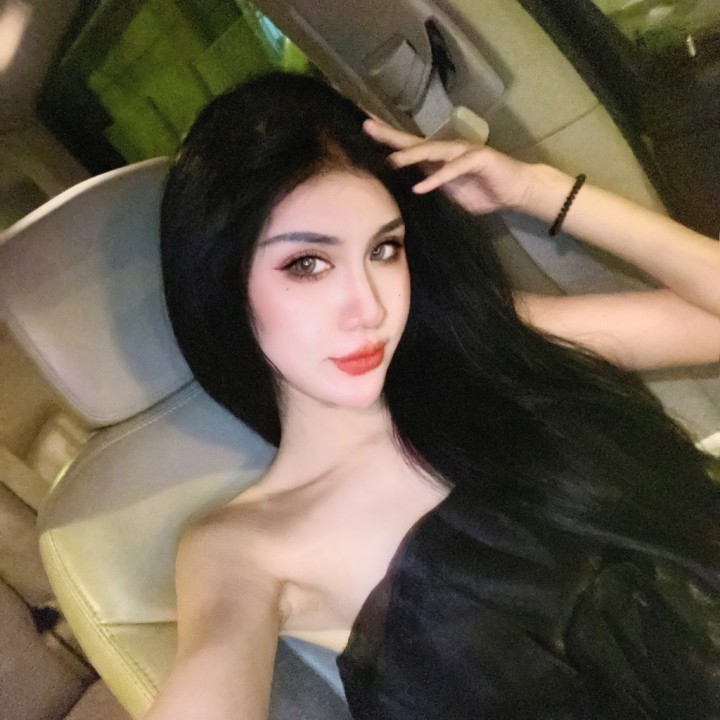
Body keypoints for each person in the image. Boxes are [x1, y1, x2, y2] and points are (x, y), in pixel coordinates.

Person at [152, 71, 720, 719]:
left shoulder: (483, 349)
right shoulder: (242, 545)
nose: (367, 307)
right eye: (307, 264)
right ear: (223, 282)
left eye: (384, 249)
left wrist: (537, 190)